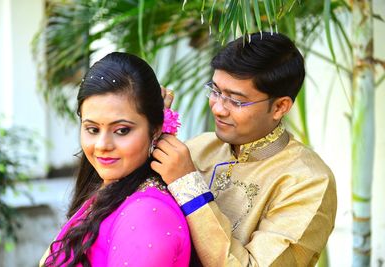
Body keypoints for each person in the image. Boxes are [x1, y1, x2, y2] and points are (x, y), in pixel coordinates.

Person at [152, 32, 337, 266]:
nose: (218, 108)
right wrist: (149, 130)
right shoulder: (201, 147)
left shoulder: (307, 181)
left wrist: (188, 186)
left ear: (280, 106)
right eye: (216, 91)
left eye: (236, 100)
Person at [40, 52, 191, 267]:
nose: (102, 145)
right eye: (92, 129)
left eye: (121, 130)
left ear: (156, 130)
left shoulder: (146, 216)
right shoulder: (110, 191)